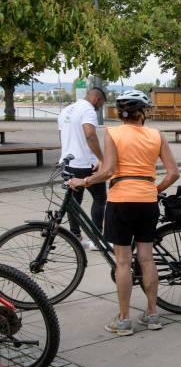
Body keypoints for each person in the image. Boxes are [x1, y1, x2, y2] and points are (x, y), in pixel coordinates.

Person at [69, 90, 180, 336]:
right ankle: (152, 315)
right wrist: (153, 189)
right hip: (146, 201)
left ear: (120, 114)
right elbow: (173, 173)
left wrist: (83, 181)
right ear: (143, 112)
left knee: (122, 261)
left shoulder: (113, 133)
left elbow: (108, 171)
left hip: (121, 200)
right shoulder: (156, 135)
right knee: (146, 258)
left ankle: (124, 320)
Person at [58, 87, 107, 250]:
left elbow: (63, 137)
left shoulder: (65, 110)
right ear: (97, 99)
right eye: (101, 104)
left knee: (74, 202)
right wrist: (101, 158)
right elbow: (90, 135)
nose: (100, 108)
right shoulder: (88, 110)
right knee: (100, 199)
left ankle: (75, 236)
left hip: (68, 163)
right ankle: (96, 238)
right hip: (86, 164)